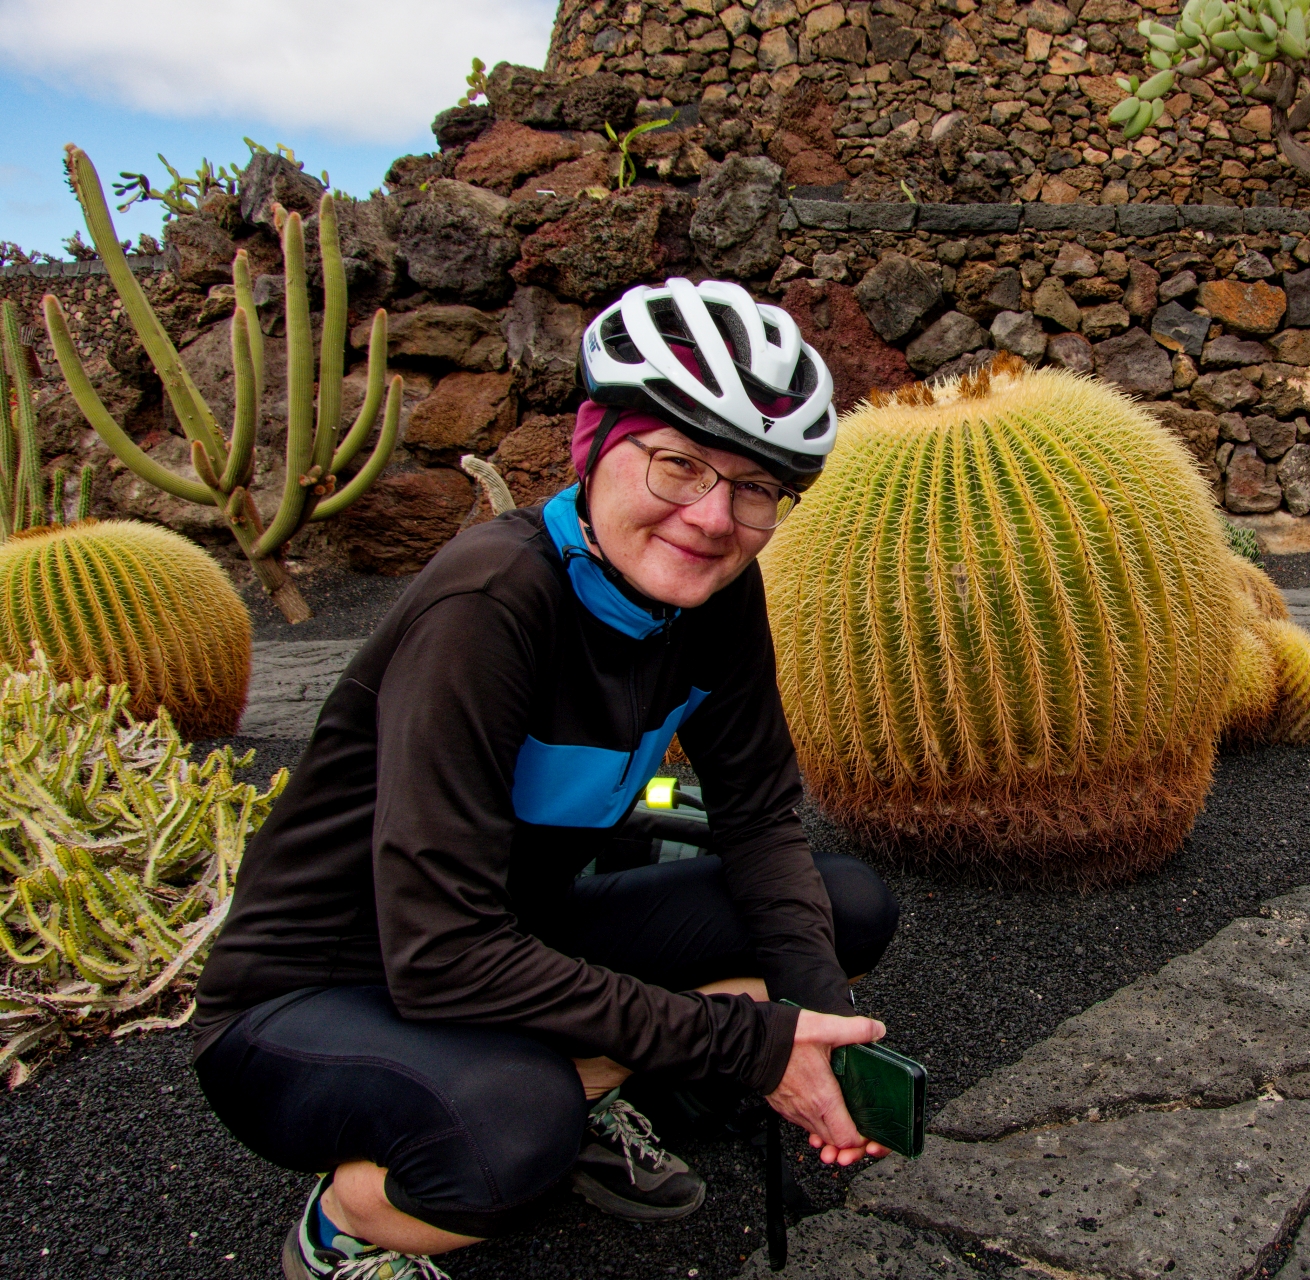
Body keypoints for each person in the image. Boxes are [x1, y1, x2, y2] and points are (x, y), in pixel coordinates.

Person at [192, 278, 902, 1280]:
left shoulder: (717, 600)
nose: (712, 516)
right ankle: (347, 1222)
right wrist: (748, 1040)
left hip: (509, 935)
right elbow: (438, 953)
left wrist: (819, 1030)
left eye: (755, 488)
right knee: (515, 1130)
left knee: (843, 906)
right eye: (678, 462)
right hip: (319, 988)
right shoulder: (491, 601)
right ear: (592, 439)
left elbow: (757, 817)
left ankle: (581, 1078)